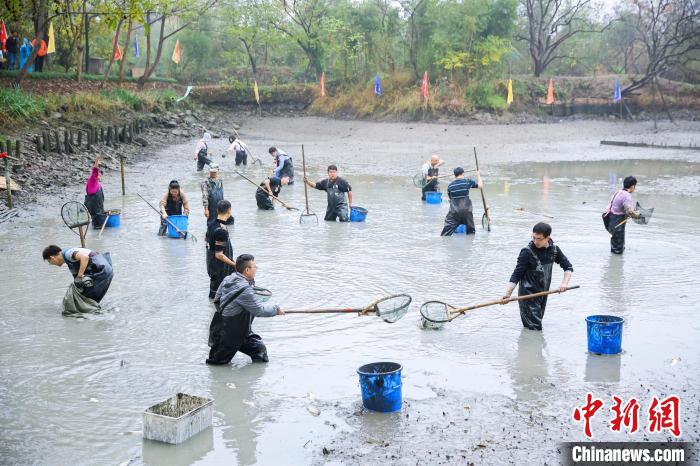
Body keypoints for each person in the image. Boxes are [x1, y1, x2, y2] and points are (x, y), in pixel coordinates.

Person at [206, 254, 284, 365]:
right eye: (255, 267)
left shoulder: (228, 278)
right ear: (247, 270)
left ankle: (250, 380)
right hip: (228, 335)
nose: (256, 269)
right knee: (217, 364)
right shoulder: (245, 289)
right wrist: (276, 309)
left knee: (259, 350)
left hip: (239, 331)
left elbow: (217, 300)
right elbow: (259, 310)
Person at [500, 223, 573, 331]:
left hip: (543, 294)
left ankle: (527, 347)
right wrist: (507, 294)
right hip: (527, 296)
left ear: (548, 237)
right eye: (533, 238)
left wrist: (564, 284)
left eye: (539, 239)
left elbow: (568, 267)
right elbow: (517, 274)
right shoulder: (527, 252)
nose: (535, 241)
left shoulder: (554, 250)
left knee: (532, 327)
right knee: (535, 328)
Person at [42, 245, 114, 314]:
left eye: (49, 262)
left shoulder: (68, 254)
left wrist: (79, 276)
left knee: (86, 298)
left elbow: (85, 257)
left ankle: (91, 316)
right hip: (104, 270)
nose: (51, 264)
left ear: (52, 258)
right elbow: (76, 278)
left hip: (101, 270)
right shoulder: (67, 257)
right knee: (87, 297)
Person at [603, 176, 641, 255]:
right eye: (635, 186)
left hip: (610, 219)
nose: (635, 188)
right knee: (618, 248)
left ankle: (614, 260)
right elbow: (630, 212)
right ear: (632, 186)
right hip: (618, 222)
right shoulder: (627, 196)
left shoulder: (618, 192)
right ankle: (616, 264)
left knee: (615, 242)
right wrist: (638, 215)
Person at [206, 200, 235, 299]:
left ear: (217, 210)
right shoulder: (221, 230)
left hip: (211, 264)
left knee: (214, 294)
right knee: (219, 297)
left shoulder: (211, 224)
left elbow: (207, 240)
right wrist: (234, 264)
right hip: (219, 268)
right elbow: (219, 254)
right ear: (229, 210)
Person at [440, 166, 482, 236]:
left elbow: (451, 199)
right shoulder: (467, 182)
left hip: (454, 212)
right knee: (471, 233)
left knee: (445, 234)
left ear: (454, 175)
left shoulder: (450, 186)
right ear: (463, 173)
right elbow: (480, 186)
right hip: (467, 211)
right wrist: (478, 175)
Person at [84, 155, 106, 229]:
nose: (99, 176)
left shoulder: (98, 183)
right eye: (99, 175)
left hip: (95, 200)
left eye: (100, 176)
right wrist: (97, 160)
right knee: (94, 213)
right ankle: (97, 225)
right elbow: (95, 168)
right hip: (92, 199)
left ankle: (98, 225)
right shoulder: (93, 176)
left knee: (97, 213)